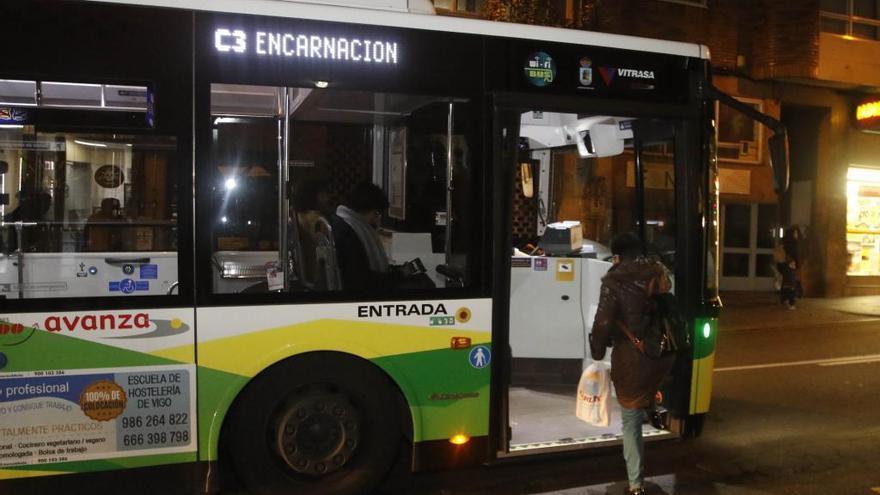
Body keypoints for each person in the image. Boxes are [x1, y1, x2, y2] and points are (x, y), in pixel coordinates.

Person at [589, 232, 676, 495]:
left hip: (632, 357)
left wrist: (596, 349)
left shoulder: (614, 282)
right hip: (662, 354)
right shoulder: (657, 273)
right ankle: (653, 402)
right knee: (647, 392)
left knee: (630, 421)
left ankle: (635, 483)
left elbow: (603, 322)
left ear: (616, 255)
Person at [330, 182, 399, 291]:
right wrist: (397, 276)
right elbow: (362, 280)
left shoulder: (342, 222)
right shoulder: (350, 235)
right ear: (365, 208)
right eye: (376, 214)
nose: (377, 220)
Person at [777, 226, 802, 309]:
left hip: (784, 265)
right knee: (791, 284)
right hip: (791, 265)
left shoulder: (784, 242)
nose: (796, 235)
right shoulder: (793, 243)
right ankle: (790, 303)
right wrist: (798, 264)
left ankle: (784, 299)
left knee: (786, 283)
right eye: (795, 233)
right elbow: (795, 255)